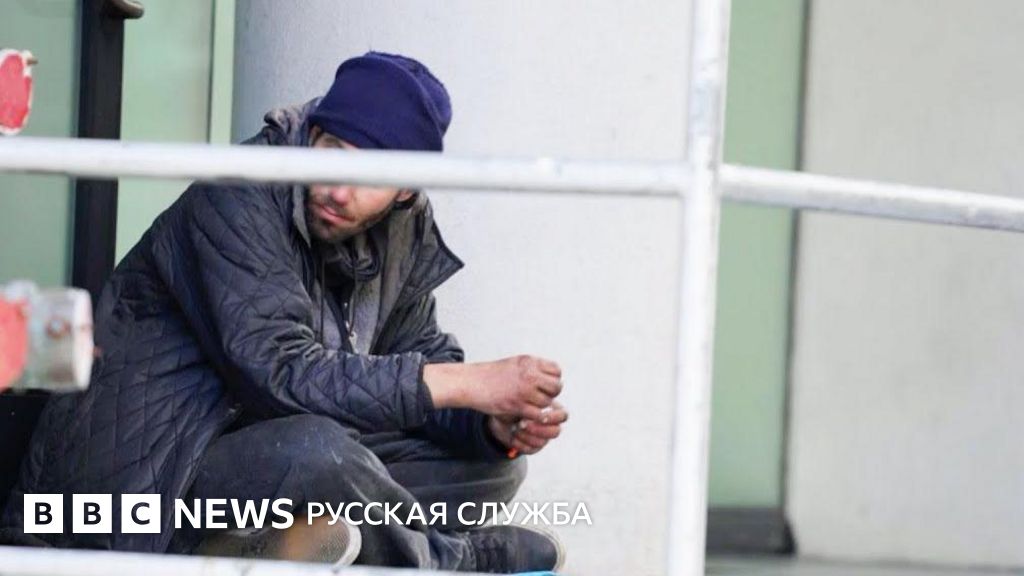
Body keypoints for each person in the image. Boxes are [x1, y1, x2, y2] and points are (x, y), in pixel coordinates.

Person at [0, 52, 568, 573]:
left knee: (493, 468)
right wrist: (466, 383)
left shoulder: (400, 232)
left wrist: (485, 425)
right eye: (333, 153)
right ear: (313, 134)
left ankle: (284, 541)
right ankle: (452, 559)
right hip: (134, 487)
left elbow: (417, 356)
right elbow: (279, 373)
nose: (339, 190)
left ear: (404, 192)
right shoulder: (240, 191)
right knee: (317, 456)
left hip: (264, 458)